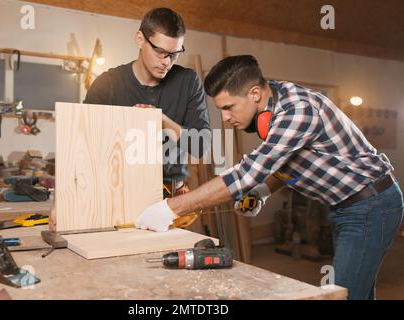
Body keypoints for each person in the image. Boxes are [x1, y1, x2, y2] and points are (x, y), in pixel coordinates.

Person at [135, 55, 404, 300]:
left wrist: (170, 208)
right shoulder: (271, 104)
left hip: (371, 204)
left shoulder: (299, 110)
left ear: (254, 93)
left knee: (343, 295)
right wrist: (261, 192)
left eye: (229, 107)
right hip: (346, 206)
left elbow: (247, 173)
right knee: (358, 291)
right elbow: (283, 162)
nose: (225, 118)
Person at [84, 7, 211, 194]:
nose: (167, 62)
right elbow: (82, 144)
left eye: (174, 54)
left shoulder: (188, 82)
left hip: (171, 194)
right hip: (118, 189)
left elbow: (202, 146)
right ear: (140, 39)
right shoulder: (107, 83)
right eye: (160, 51)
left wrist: (162, 122)